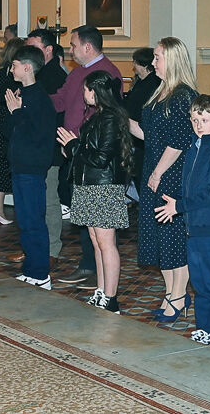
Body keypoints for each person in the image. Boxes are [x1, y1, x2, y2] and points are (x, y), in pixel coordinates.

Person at [155, 94, 210, 349]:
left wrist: (178, 206)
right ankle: (204, 327)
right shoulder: (194, 147)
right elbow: (191, 187)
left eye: (205, 119)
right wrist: (179, 202)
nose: (199, 125)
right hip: (194, 227)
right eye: (195, 119)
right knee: (199, 282)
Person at [128, 37, 198, 321]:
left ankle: (179, 295)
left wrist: (157, 172)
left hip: (171, 175)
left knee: (173, 238)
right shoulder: (161, 91)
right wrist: (126, 122)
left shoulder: (183, 95)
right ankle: (170, 293)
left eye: (158, 57)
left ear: (173, 60)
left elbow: (179, 141)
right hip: (155, 171)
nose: (153, 62)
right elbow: (153, 135)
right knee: (159, 238)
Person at [51, 25, 122, 286]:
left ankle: (103, 283)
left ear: (87, 47)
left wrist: (75, 144)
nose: (70, 50)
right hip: (79, 157)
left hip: (98, 169)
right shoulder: (77, 73)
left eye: (73, 45)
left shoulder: (108, 75)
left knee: (103, 234)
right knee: (92, 230)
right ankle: (100, 283)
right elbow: (61, 101)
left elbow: (107, 126)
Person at [58, 70, 132, 311]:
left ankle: (111, 297)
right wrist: (72, 148)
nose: (84, 93)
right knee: (96, 240)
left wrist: (73, 145)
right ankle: (101, 291)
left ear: (96, 91)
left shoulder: (110, 117)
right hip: (90, 185)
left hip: (104, 187)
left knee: (106, 242)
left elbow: (101, 158)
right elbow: (88, 153)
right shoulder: (98, 116)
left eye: (86, 89)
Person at [6, 45, 59, 289]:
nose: (11, 69)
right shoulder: (24, 94)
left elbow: (38, 134)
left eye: (15, 65)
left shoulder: (39, 97)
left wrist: (16, 113)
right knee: (25, 220)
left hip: (32, 168)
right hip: (21, 166)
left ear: (27, 68)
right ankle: (31, 269)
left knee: (34, 220)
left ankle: (41, 274)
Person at [21, 28, 69, 267]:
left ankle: (52, 249)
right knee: (33, 201)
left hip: (49, 148)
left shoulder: (55, 76)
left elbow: (53, 115)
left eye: (35, 47)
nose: (29, 52)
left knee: (49, 199)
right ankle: (35, 247)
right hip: (34, 148)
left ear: (48, 50)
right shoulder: (36, 73)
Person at [0, 38, 24, 225]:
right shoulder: (14, 77)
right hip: (8, 121)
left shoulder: (0, 74)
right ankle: (4, 209)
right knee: (9, 163)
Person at [123, 47, 162, 197]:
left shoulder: (151, 84)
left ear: (143, 65)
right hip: (136, 131)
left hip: (142, 133)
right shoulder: (142, 82)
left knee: (140, 170)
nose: (133, 66)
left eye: (135, 62)